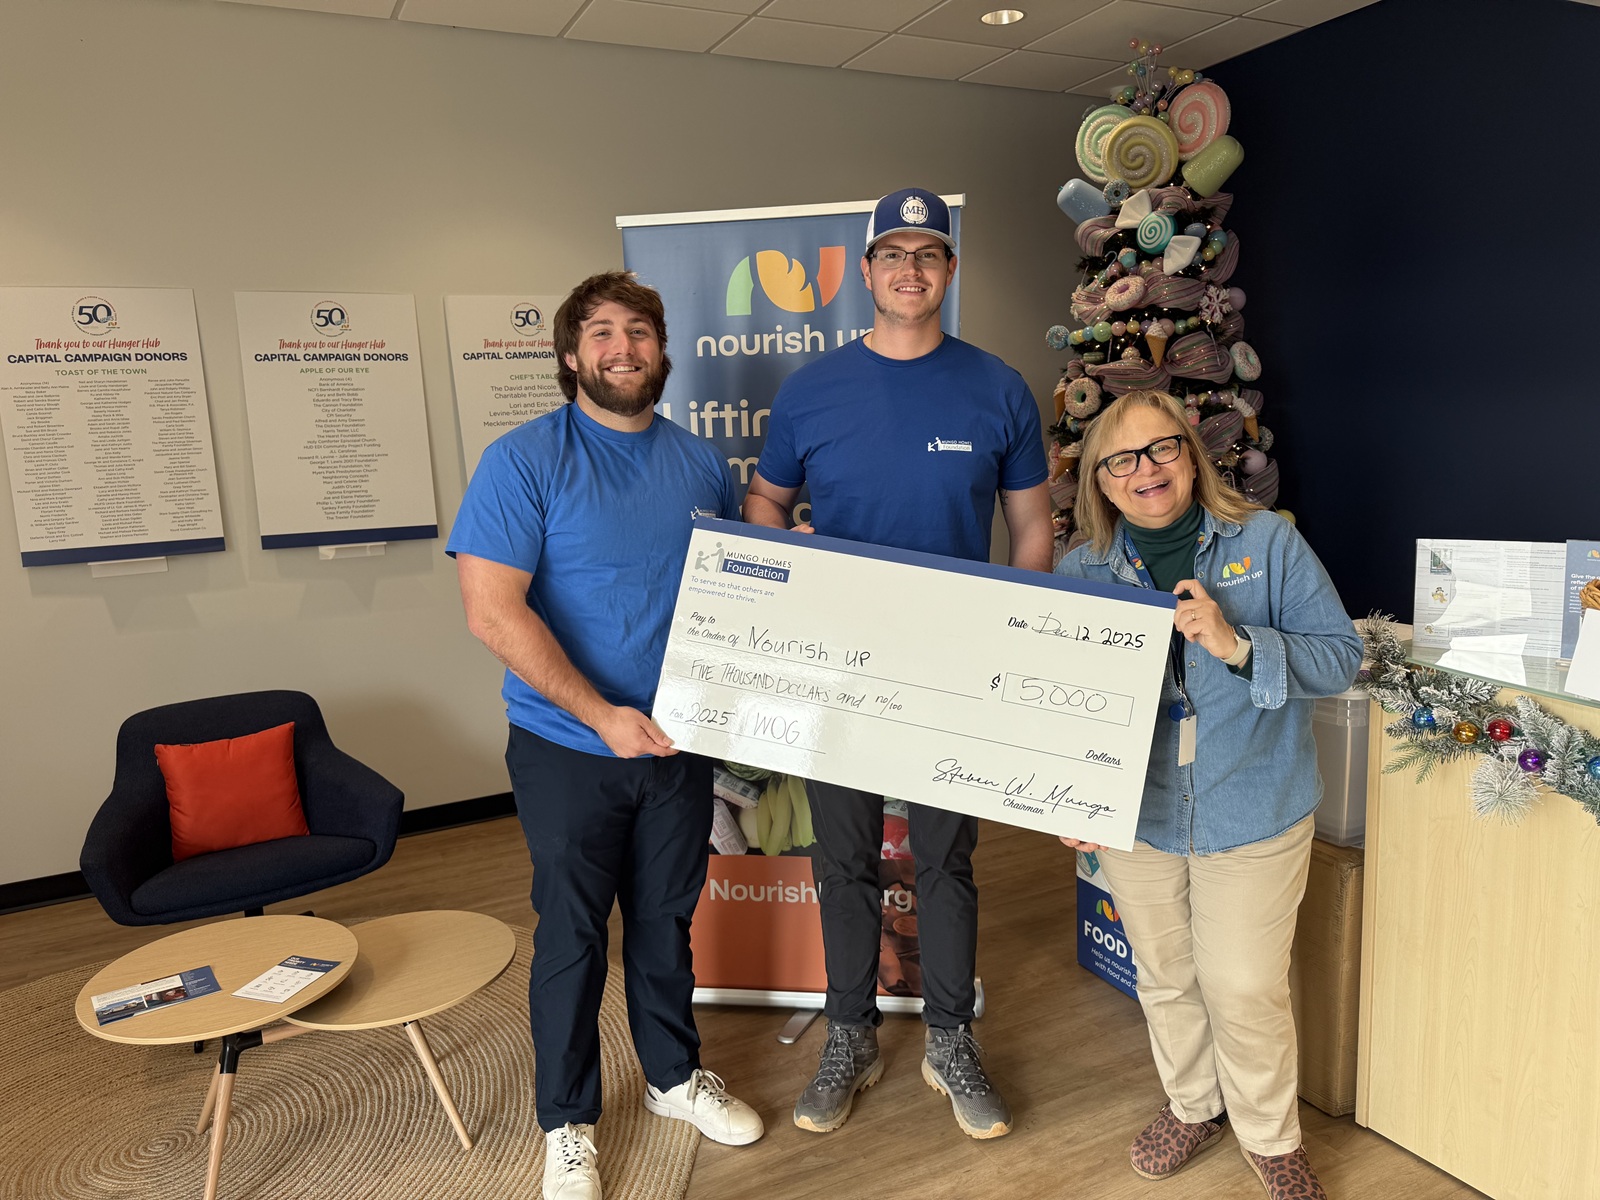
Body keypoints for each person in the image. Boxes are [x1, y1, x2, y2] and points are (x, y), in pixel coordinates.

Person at [744, 187, 1054, 1140]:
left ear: (949, 272)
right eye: (892, 254)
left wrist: (1012, 626)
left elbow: (1033, 523)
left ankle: (950, 1039)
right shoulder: (811, 390)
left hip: (950, 670)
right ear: (867, 274)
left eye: (929, 253)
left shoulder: (998, 387)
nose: (910, 269)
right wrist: (791, 586)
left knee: (945, 860)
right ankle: (851, 1034)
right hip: (842, 669)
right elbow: (764, 504)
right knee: (840, 859)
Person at [448, 272, 763, 1200]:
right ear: (570, 355)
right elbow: (490, 612)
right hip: (566, 747)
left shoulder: (701, 463)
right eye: (601, 333)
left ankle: (671, 1077)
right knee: (575, 935)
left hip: (676, 745)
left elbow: (738, 586)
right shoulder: (523, 460)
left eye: (639, 332)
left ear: (664, 352)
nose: (622, 348)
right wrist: (600, 715)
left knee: (665, 920)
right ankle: (569, 1121)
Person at [1053, 389, 1361, 1200]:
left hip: (1252, 802)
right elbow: (1062, 702)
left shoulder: (1268, 543)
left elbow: (1339, 659)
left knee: (1243, 983)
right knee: (1165, 974)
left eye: (1162, 449)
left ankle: (1270, 1134)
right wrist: (1068, 796)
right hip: (1139, 814)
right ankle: (1195, 1105)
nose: (1145, 470)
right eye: (1122, 459)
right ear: (1101, 482)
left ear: (1189, 455)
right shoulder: (1082, 568)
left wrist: (1237, 644)